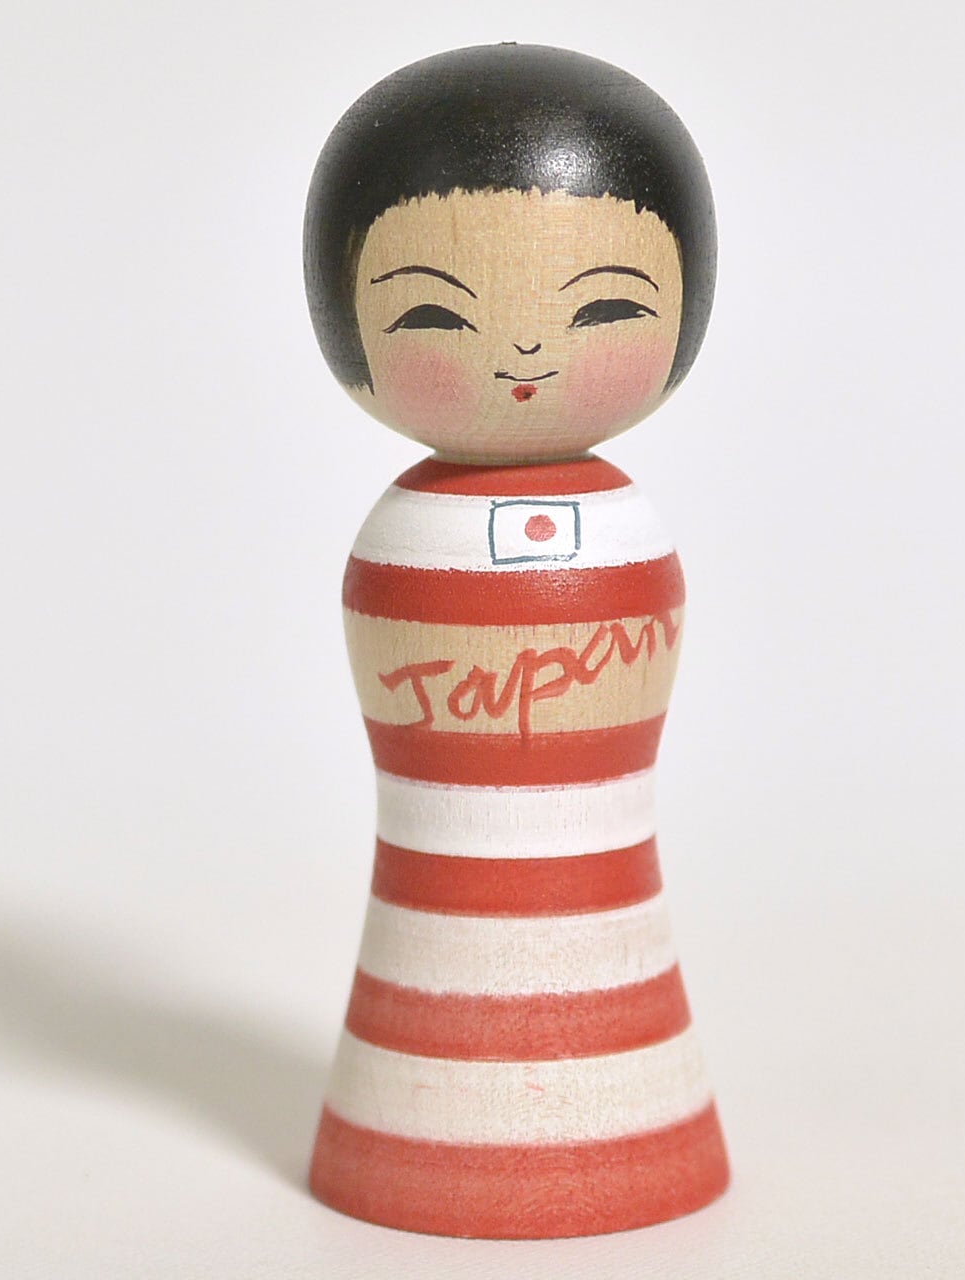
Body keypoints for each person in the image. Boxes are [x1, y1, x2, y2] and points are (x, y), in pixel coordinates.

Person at [303, 43, 730, 1238]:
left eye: (602, 307)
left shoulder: (623, 534)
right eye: (437, 312)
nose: (527, 356)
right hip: (412, 1024)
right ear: (344, 318)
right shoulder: (408, 539)